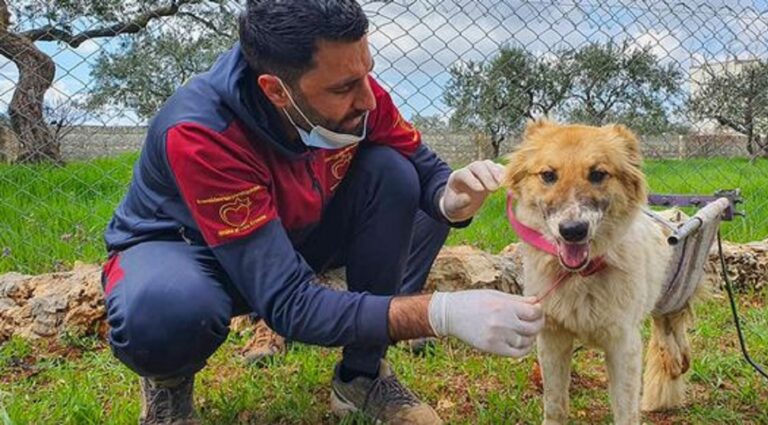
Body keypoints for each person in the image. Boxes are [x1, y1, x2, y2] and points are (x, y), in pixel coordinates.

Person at [99, 0, 544, 423]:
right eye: (346, 87)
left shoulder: (350, 88)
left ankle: (362, 376)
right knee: (163, 312)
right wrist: (442, 313)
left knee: (394, 171)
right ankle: (169, 386)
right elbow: (289, 303)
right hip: (189, 251)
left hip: (289, 230)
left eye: (366, 73)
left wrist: (451, 197)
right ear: (275, 91)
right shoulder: (202, 132)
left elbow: (424, 167)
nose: (369, 99)